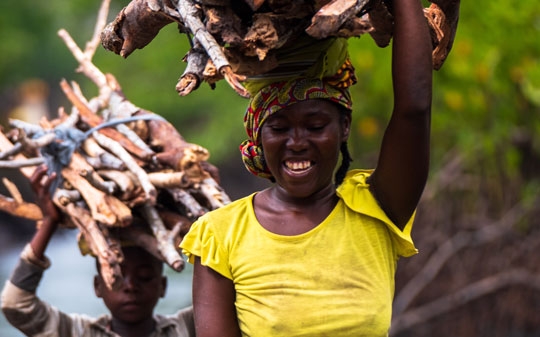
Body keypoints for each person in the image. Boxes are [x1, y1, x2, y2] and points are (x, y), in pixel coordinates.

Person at [180, 0, 432, 335]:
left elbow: (414, 110)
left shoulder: (378, 208)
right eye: (280, 128)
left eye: (314, 127)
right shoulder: (220, 235)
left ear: (343, 127)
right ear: (257, 134)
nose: (297, 142)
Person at [1, 165, 196, 337]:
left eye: (144, 277)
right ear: (97, 286)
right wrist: (49, 222)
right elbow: (16, 304)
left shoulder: (186, 329)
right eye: (117, 277)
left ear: (162, 286)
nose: (130, 287)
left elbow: (224, 301)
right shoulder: (77, 332)